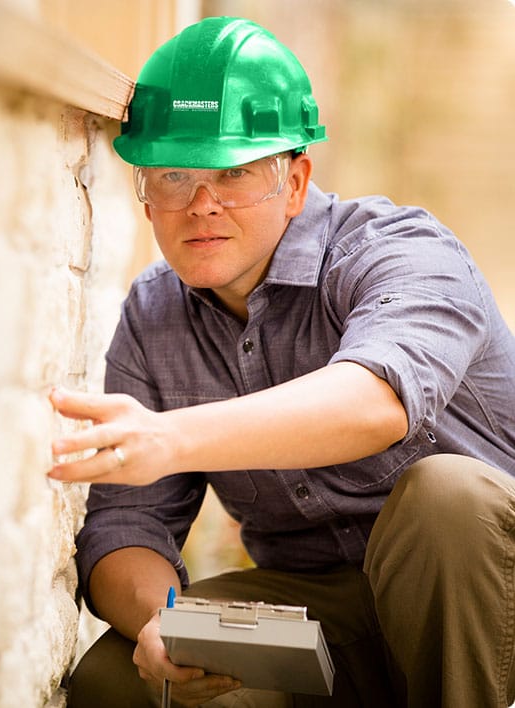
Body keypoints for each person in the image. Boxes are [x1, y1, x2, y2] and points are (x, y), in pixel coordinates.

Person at [47, 16, 515, 708]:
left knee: (444, 498)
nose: (201, 204)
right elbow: (126, 525)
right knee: (116, 682)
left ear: (295, 181)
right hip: (326, 609)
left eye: (232, 172)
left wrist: (170, 437)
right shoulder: (154, 314)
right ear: (145, 193)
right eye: (173, 174)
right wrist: (165, 625)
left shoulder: (401, 253)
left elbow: (373, 402)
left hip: (483, 599)